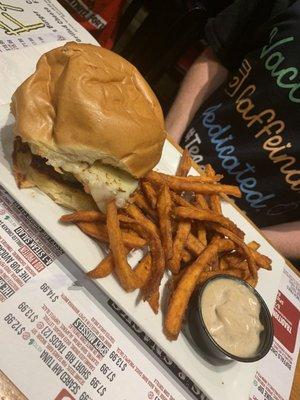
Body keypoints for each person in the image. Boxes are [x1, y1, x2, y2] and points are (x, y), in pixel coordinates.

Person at [165, 0, 300, 261]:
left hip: (247, 231)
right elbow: (221, 54)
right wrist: (167, 139)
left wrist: (243, 238)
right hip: (178, 156)